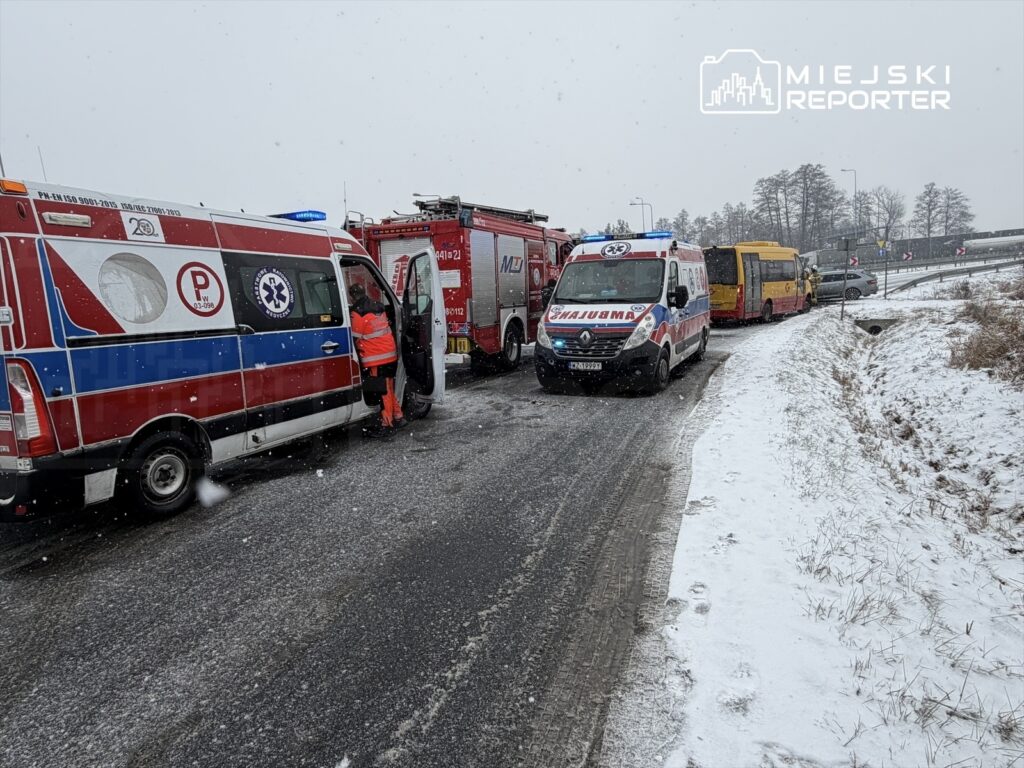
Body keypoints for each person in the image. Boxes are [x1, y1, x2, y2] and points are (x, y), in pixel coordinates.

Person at [348, 283, 405, 435]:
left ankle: (387, 424)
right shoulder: (378, 306)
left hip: (375, 358)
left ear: (352, 297)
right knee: (389, 386)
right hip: (390, 354)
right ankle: (398, 416)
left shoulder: (357, 312)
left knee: (382, 391)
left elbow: (354, 336)